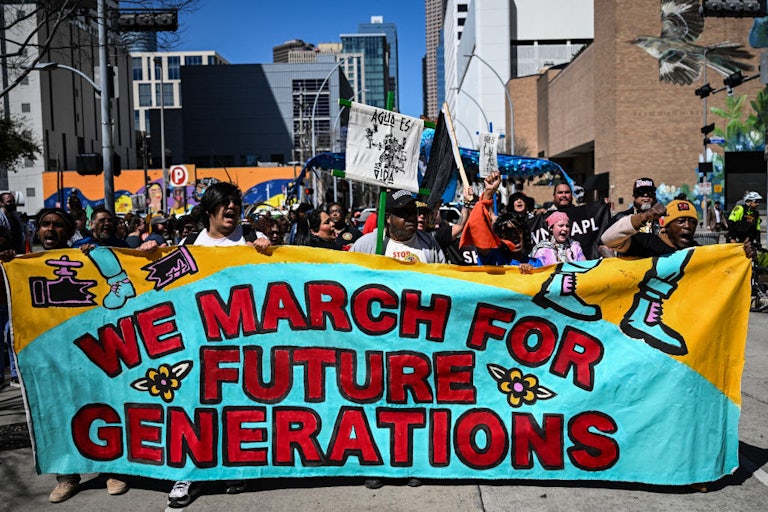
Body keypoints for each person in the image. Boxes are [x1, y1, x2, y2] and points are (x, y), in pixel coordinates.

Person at [167, 182, 269, 508]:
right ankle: (187, 474)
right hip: (197, 342)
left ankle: (232, 467)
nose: (231, 209)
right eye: (223, 204)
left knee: (237, 405)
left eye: (235, 204)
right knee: (195, 407)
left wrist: (271, 251)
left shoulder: (251, 241)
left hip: (242, 340)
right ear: (208, 210)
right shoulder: (187, 244)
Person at [19, 208, 131, 503]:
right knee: (56, 409)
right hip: (45, 354)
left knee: (101, 404)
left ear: (69, 232)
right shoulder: (20, 262)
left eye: (58, 225)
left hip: (87, 349)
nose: (51, 230)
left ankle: (111, 468)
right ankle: (66, 476)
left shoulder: (85, 257)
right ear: (37, 231)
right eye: (45, 225)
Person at [601, 199, 754, 357]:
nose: (687, 226)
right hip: (639, 342)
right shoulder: (647, 243)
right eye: (680, 221)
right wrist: (644, 217)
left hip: (682, 337)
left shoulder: (699, 253)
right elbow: (608, 240)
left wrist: (742, 256)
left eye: (692, 222)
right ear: (666, 226)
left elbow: (725, 280)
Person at [459, 172, 543, 271]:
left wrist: (532, 273)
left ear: (524, 233)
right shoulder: (493, 258)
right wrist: (489, 192)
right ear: (500, 237)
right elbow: (479, 227)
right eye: (507, 233)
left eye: (517, 231)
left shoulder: (537, 264)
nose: (514, 237)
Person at [350, 190, 445, 264]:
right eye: (404, 213)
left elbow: (441, 276)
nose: (411, 217)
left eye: (414, 212)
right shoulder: (367, 244)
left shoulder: (428, 243)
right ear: (388, 217)